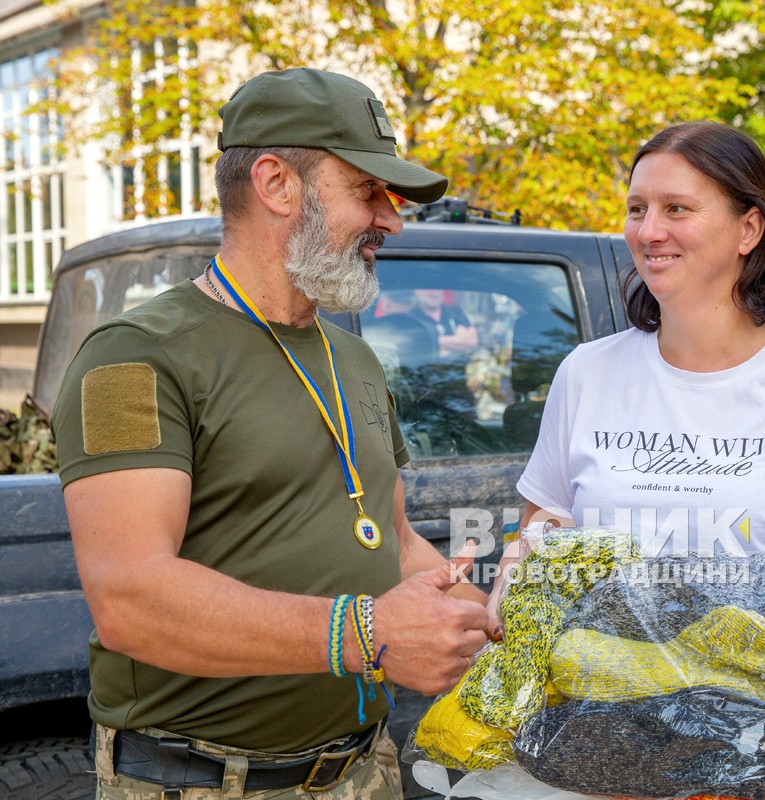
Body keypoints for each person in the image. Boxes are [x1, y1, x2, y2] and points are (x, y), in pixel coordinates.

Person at [51, 68, 493, 799]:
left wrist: (515, 621)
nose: (392, 221)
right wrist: (368, 632)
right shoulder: (135, 355)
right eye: (368, 192)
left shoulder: (352, 355)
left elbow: (394, 541)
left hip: (362, 769)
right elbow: (129, 597)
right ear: (277, 183)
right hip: (202, 784)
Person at [498, 121, 765, 625]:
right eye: (637, 209)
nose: (648, 231)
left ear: (748, 229)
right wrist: (505, 603)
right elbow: (539, 541)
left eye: (677, 209)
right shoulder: (587, 372)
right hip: (600, 699)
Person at [407, 287, 480, 358]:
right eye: (429, 288)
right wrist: (458, 344)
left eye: (438, 287)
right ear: (417, 291)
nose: (435, 293)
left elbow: (473, 342)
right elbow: (417, 351)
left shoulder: (456, 312)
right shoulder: (410, 320)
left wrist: (435, 343)